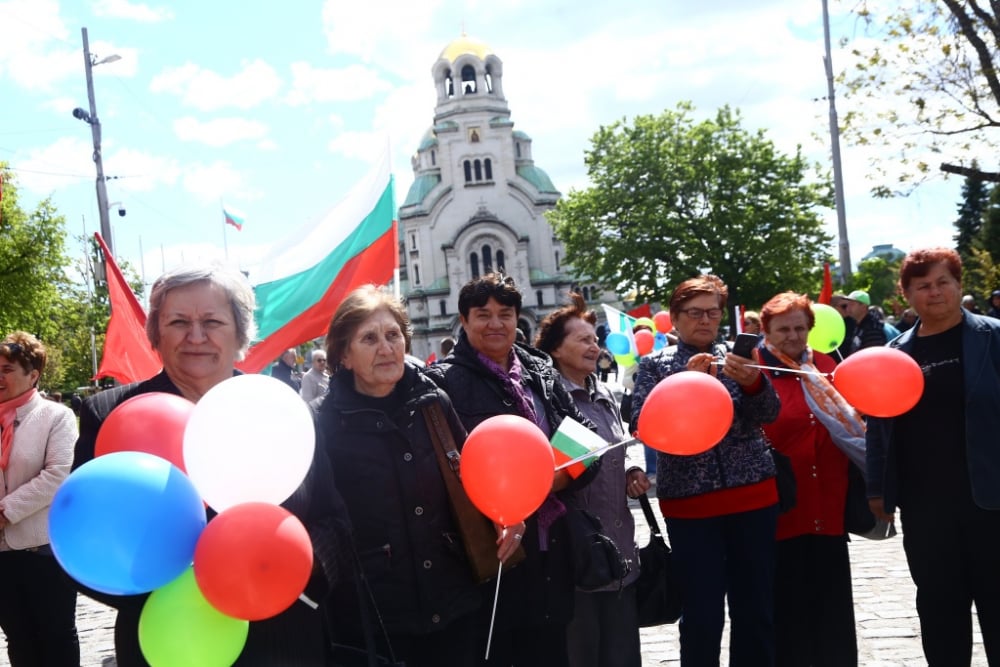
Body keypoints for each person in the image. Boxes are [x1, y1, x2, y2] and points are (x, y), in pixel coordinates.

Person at [73, 264, 350, 667]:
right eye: (179, 322)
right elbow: (82, 535)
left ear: (239, 333)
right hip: (168, 641)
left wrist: (295, 576)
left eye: (212, 321)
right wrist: (160, 590)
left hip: (282, 638)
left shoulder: (283, 412)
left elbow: (334, 520)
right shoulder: (109, 415)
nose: (196, 336)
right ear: (156, 333)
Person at [423, 272, 598, 667]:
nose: (495, 324)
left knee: (552, 649)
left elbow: (585, 439)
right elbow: (444, 472)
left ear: (518, 318)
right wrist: (503, 506)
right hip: (490, 551)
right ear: (463, 321)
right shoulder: (442, 383)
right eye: (482, 314)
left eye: (505, 313)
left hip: (550, 543)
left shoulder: (541, 372)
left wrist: (542, 483)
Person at [317, 285, 496, 666]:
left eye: (393, 335)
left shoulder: (433, 402)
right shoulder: (322, 423)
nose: (386, 348)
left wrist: (505, 516)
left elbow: (473, 481)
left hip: (454, 608)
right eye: (369, 338)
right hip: (375, 622)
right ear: (344, 356)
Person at [629, 274, 781, 666]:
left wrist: (753, 384)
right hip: (692, 506)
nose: (705, 321)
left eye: (713, 312)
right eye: (694, 313)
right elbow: (644, 427)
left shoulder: (739, 356)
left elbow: (770, 413)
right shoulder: (655, 366)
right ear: (675, 318)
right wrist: (686, 387)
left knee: (756, 607)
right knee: (701, 612)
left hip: (753, 496)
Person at [867, 247, 1000, 665]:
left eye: (944, 282)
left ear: (960, 286)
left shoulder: (993, 337)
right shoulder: (895, 356)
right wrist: (878, 490)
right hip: (926, 508)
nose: (935, 292)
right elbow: (879, 426)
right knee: (940, 611)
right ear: (906, 294)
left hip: (992, 501)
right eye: (923, 285)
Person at [534, 293, 648, 667]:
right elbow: (556, 471)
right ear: (555, 349)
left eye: (594, 339)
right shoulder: (547, 401)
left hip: (621, 552)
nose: (594, 346)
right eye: (582, 340)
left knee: (623, 655)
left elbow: (620, 441)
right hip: (579, 556)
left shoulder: (605, 394)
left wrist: (632, 467)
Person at [757, 293, 860, 666]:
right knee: (790, 618)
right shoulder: (756, 373)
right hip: (782, 511)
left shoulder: (827, 366)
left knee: (833, 616)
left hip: (829, 507)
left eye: (800, 327)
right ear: (766, 330)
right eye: (783, 328)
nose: (793, 336)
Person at [0, 333, 80, 666]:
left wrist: (5, 512)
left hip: (45, 551)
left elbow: (58, 474)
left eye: (6, 369)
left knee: (56, 636)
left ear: (33, 374)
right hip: (2, 555)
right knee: (19, 639)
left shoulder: (56, 417)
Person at [842, 290, 887, 356]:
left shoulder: (873, 328)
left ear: (863, 306)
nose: (848, 308)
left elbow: (874, 355)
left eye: (852, 304)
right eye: (847, 304)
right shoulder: (858, 325)